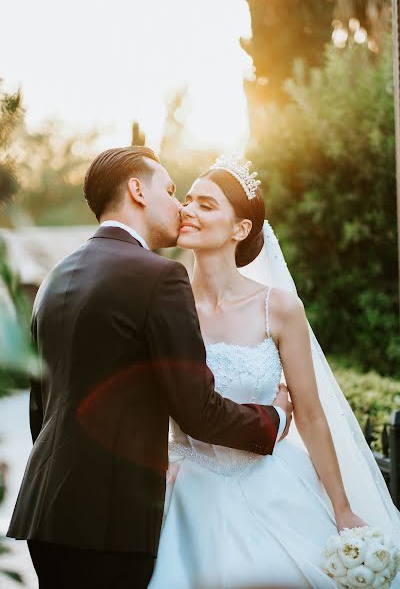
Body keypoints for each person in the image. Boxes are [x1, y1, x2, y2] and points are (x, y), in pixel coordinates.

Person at [6, 147, 293, 589]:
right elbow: (197, 409)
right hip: (111, 522)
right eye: (172, 190)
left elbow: (41, 407)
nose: (180, 207)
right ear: (137, 190)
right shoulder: (159, 276)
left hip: (46, 510)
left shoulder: (57, 276)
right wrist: (271, 419)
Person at [149, 155, 400, 589]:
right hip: (188, 490)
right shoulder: (162, 305)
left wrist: (341, 508)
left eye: (207, 205)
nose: (188, 210)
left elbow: (312, 414)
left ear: (240, 229)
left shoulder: (279, 309)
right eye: (187, 200)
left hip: (273, 482)